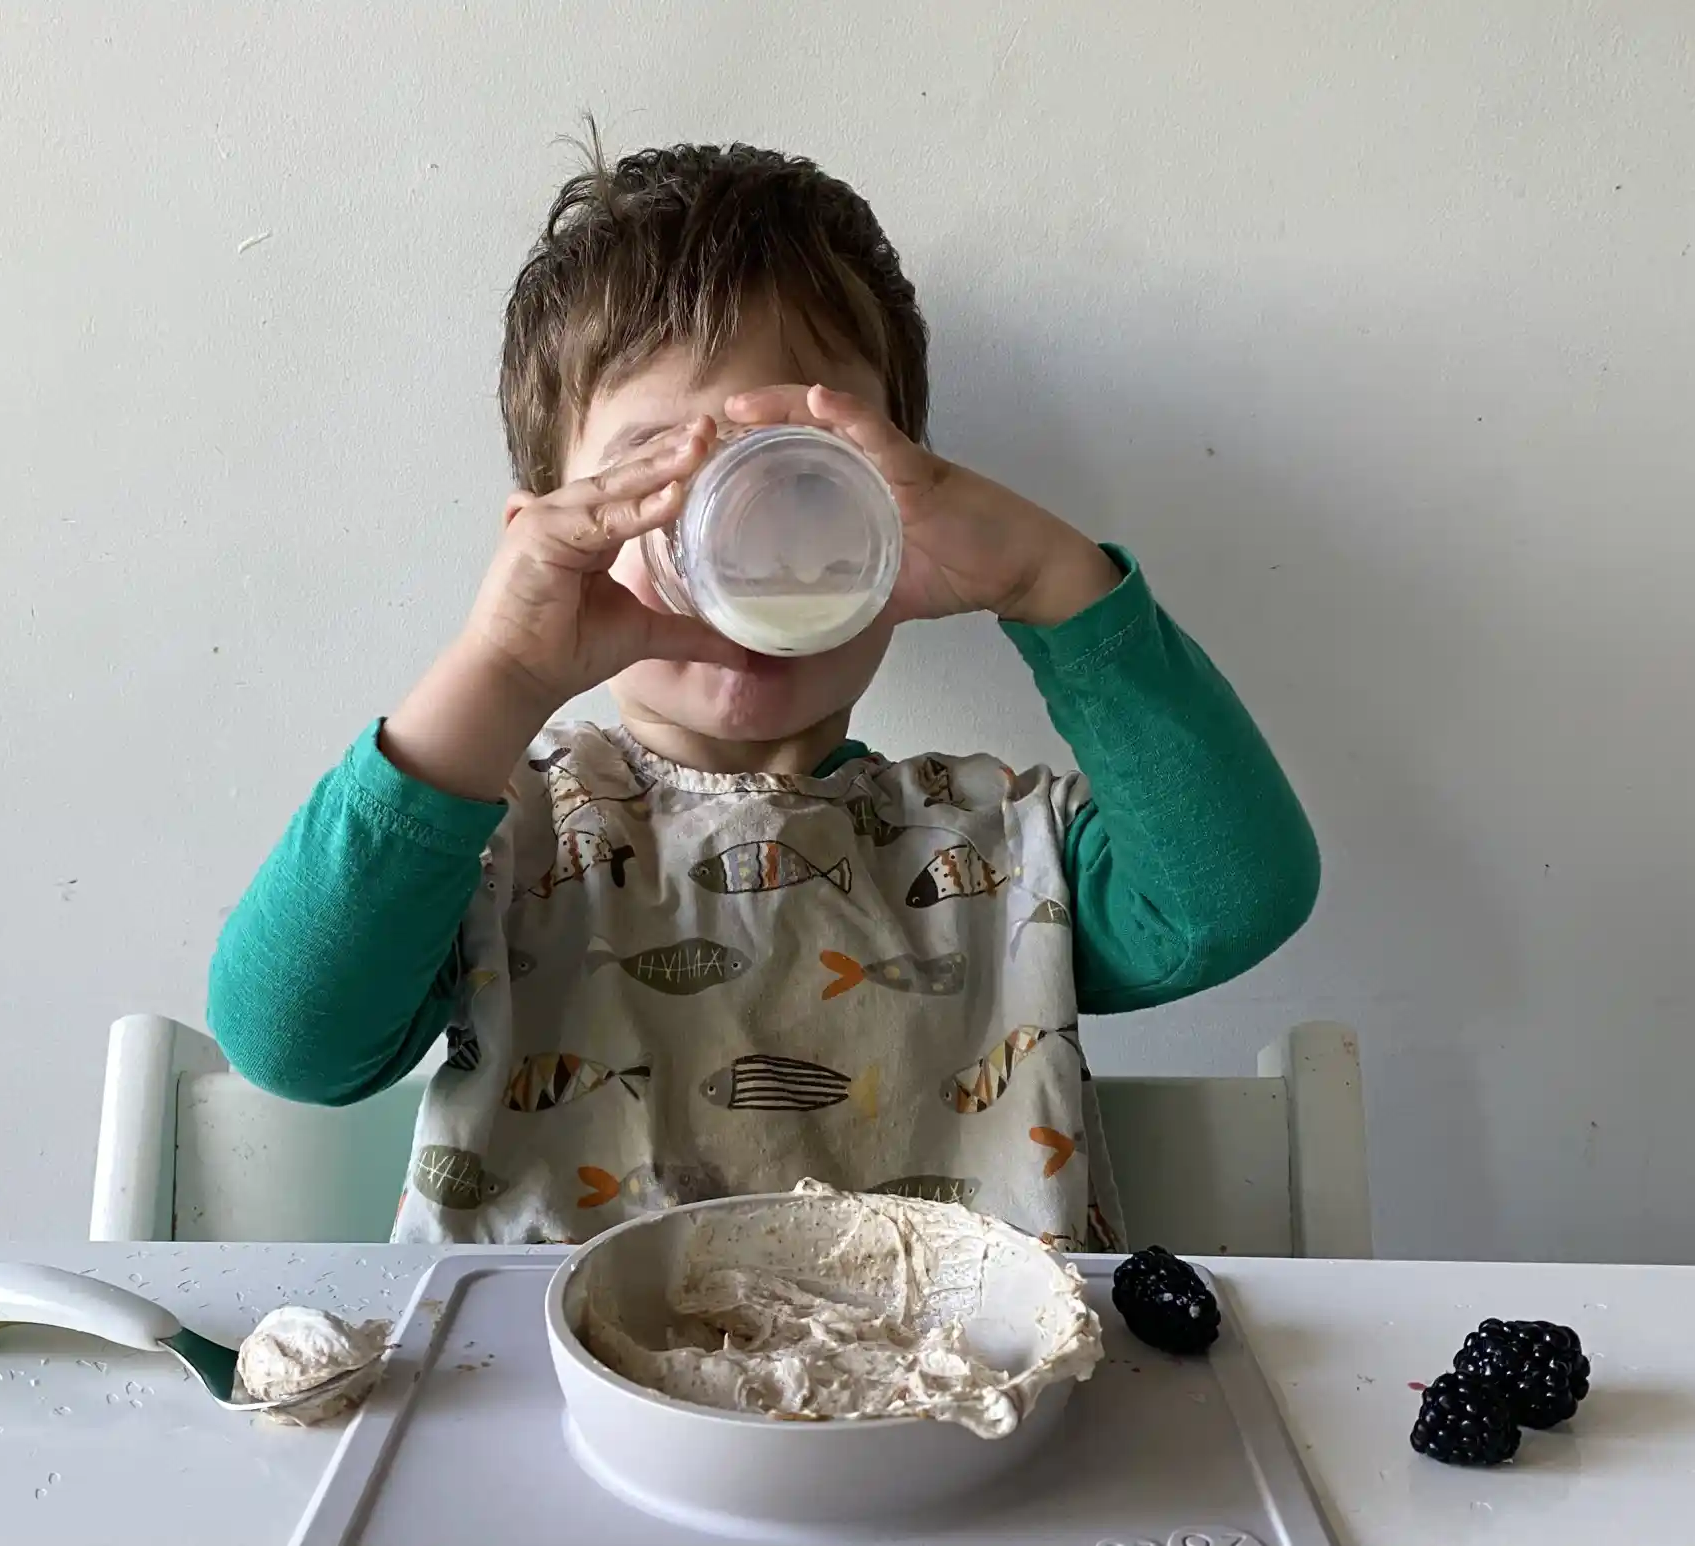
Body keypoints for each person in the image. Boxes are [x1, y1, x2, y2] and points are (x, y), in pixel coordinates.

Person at [208, 138, 1319, 1248]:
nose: (748, 545)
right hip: (551, 1412)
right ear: (550, 543)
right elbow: (291, 1040)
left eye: (803, 481)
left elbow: (1230, 901)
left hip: (956, 1414)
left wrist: (1048, 581)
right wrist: (498, 670)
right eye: (658, 480)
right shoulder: (498, 846)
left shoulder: (989, 857)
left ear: (892, 517)